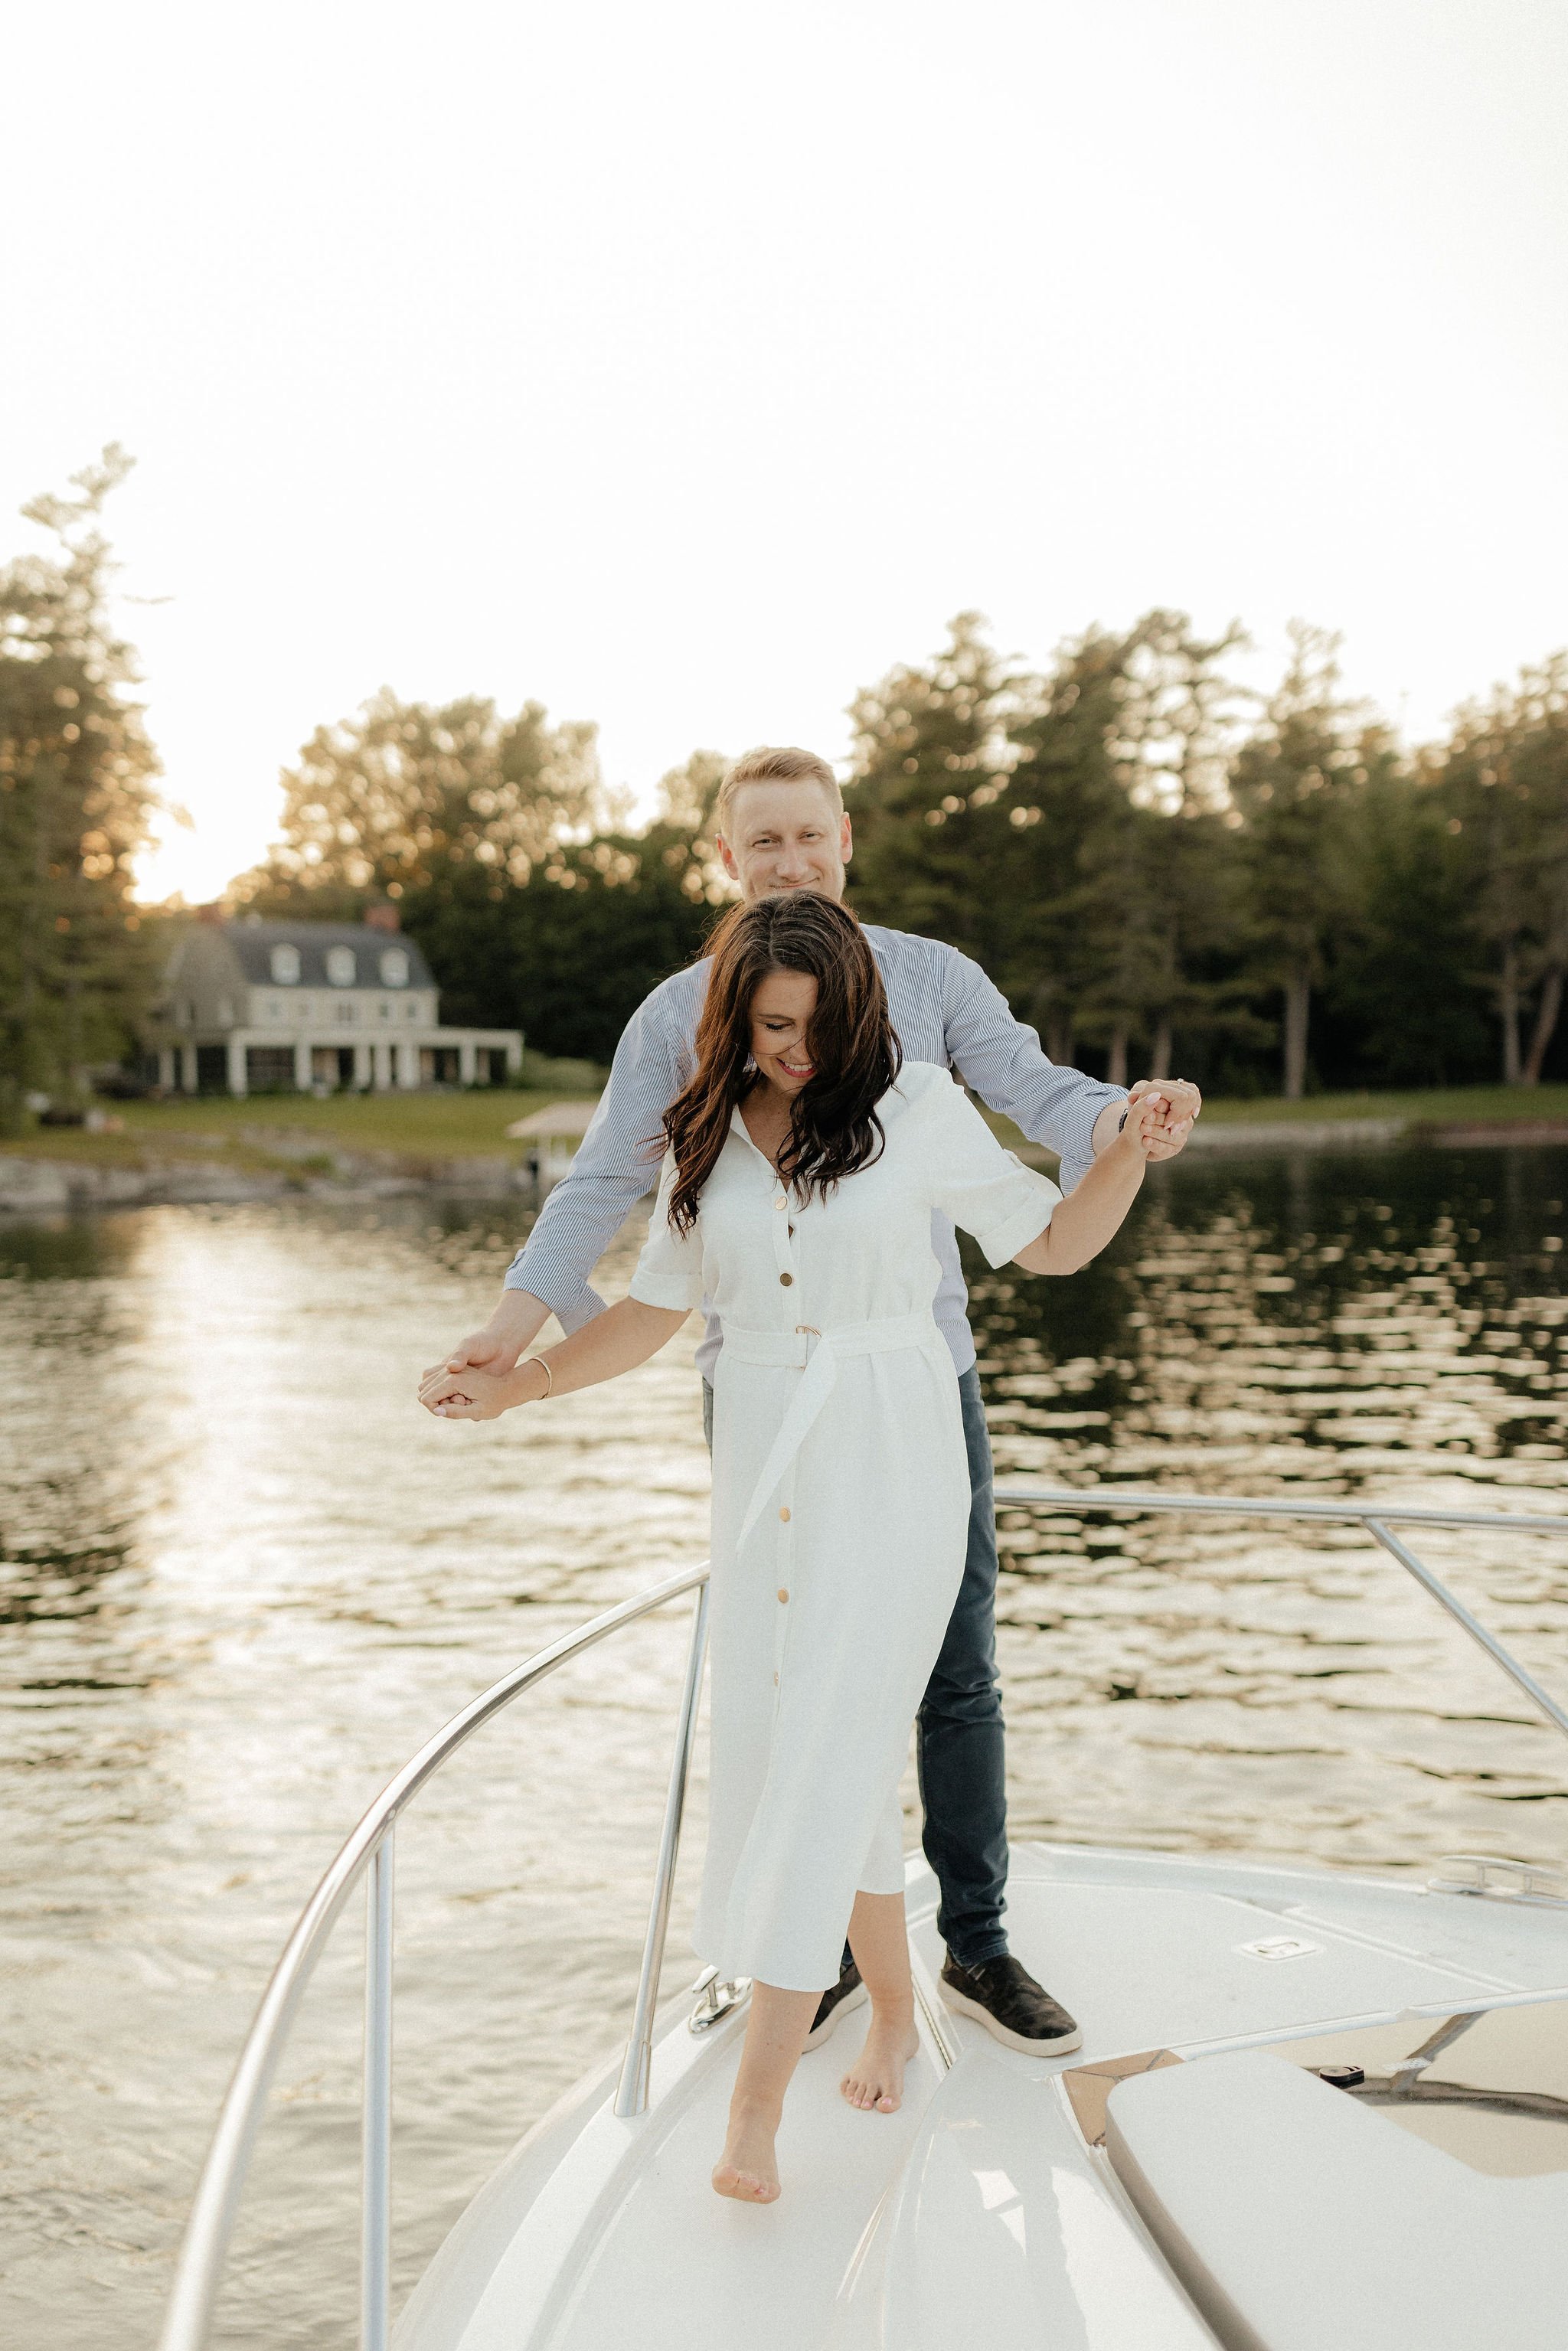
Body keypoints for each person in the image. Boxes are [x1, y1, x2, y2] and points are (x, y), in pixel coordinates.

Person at [423, 744, 1201, 2060]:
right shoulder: (680, 1014)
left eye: (808, 836)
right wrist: (513, 1343)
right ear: (729, 860)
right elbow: (608, 1191)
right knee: (787, 1680)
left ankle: (980, 1945)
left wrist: (1129, 1120)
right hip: (761, 1394)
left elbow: (1041, 1101)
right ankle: (821, 1955)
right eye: (761, 842)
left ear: (847, 837)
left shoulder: (935, 985)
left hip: (921, 1386)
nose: (790, 861)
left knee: (953, 1671)